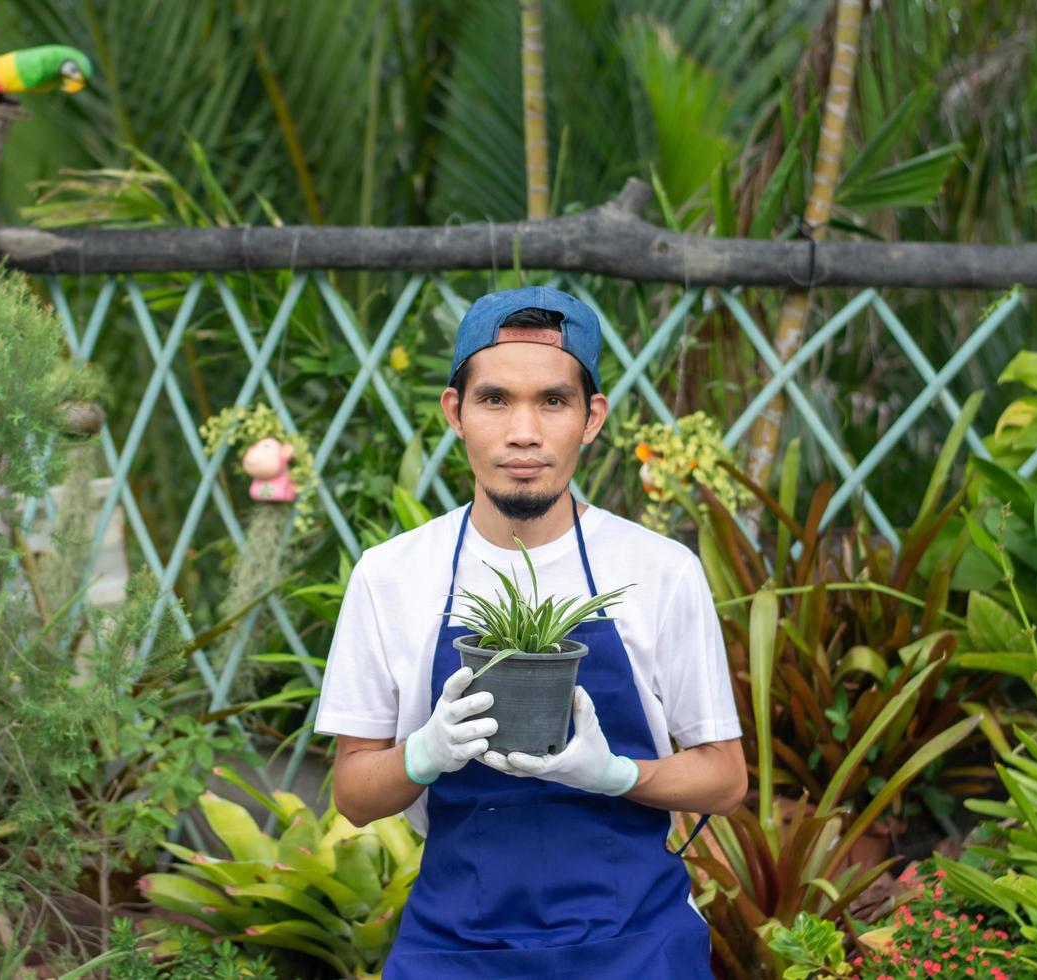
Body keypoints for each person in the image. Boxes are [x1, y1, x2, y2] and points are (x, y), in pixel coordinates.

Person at [314, 285, 747, 978]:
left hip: (635, 946)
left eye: (552, 400)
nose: (524, 432)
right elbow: (354, 794)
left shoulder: (660, 571)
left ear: (591, 417)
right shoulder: (391, 576)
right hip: (454, 950)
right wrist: (424, 754)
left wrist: (614, 774)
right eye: (495, 400)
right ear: (455, 412)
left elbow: (724, 780)